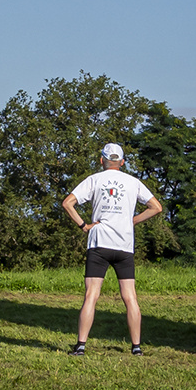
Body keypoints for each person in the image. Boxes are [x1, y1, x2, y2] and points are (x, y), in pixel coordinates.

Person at [60, 142, 164, 355]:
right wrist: (132, 220)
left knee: (91, 295)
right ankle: (136, 347)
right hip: (124, 245)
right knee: (130, 297)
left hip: (99, 243)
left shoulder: (94, 180)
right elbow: (156, 207)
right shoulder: (133, 182)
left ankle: (80, 345)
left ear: (101, 160)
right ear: (122, 162)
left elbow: (67, 203)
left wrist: (84, 226)